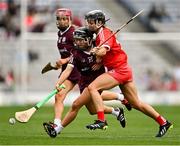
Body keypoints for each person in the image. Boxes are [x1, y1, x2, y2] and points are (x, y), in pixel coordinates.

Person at [84, 10, 173, 137]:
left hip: (119, 70)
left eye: (91, 22)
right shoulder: (100, 34)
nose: (88, 25)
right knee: (136, 103)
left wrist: (96, 51)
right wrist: (99, 57)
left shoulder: (104, 33)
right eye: (88, 22)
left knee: (92, 87)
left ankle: (101, 120)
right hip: (124, 69)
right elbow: (104, 55)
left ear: (99, 23)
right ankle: (163, 122)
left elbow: (103, 52)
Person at [43, 27, 129, 138]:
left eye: (81, 40)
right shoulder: (75, 52)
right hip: (84, 81)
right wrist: (59, 82)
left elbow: (110, 49)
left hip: (97, 81)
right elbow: (68, 69)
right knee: (92, 110)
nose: (77, 42)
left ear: (89, 39)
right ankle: (116, 111)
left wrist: (100, 58)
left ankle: (58, 129)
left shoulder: (98, 46)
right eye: (76, 40)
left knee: (75, 105)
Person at [51, 8, 81, 132]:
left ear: (69, 19)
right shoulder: (60, 33)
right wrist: (61, 63)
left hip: (79, 69)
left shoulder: (73, 33)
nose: (61, 21)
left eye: (64, 19)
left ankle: (119, 98)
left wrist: (65, 60)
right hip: (67, 70)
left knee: (93, 97)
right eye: (59, 19)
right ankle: (56, 123)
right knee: (58, 96)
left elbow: (79, 52)